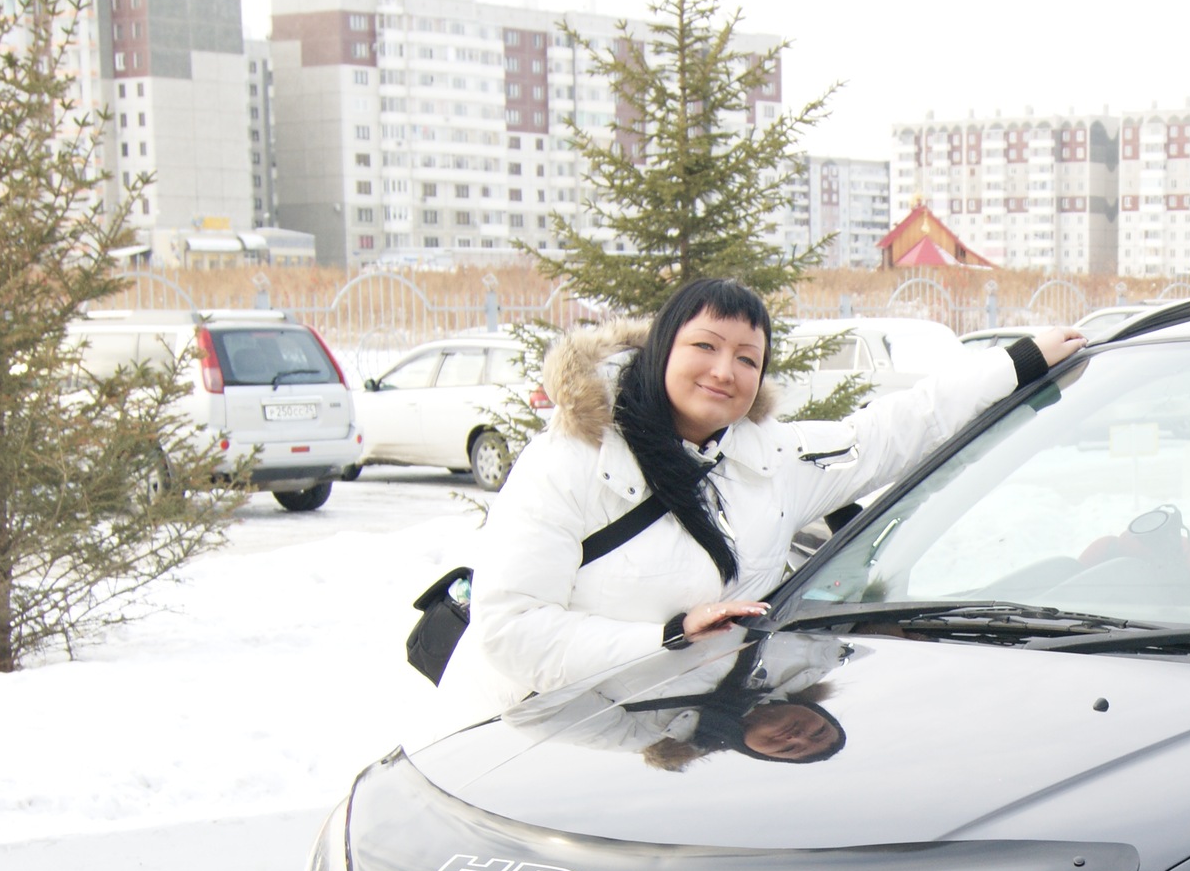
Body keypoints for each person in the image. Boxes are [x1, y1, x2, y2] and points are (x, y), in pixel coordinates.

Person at [437, 276, 1082, 715]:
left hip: (666, 735)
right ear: (662, 349)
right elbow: (512, 629)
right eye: (705, 346)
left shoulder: (767, 462)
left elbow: (886, 434)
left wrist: (1018, 362)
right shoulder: (573, 459)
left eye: (748, 358)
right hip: (524, 737)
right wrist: (668, 636)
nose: (725, 371)